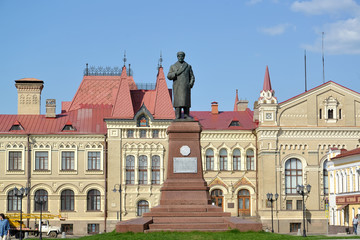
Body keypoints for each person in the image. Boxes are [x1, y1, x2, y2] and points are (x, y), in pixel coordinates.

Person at [167, 51, 195, 119]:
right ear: (177, 57)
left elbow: (192, 77)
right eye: (179, 56)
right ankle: (178, 115)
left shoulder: (188, 66)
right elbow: (169, 76)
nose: (180, 57)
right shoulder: (173, 66)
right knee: (178, 102)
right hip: (177, 87)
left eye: (182, 56)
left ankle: (186, 115)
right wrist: (175, 73)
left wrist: (190, 84)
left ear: (184, 57)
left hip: (186, 87)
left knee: (186, 101)